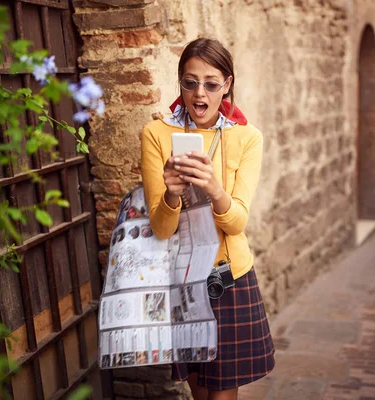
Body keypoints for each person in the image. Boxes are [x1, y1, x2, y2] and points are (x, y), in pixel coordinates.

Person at [140, 38, 275, 400]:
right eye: (190, 82)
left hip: (228, 278)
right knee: (199, 391)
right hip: (183, 278)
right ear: (180, 81)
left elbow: (236, 223)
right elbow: (161, 228)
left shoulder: (247, 138)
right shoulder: (156, 134)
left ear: (227, 85)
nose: (200, 94)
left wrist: (215, 189)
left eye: (212, 84)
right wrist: (171, 194)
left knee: (222, 395)